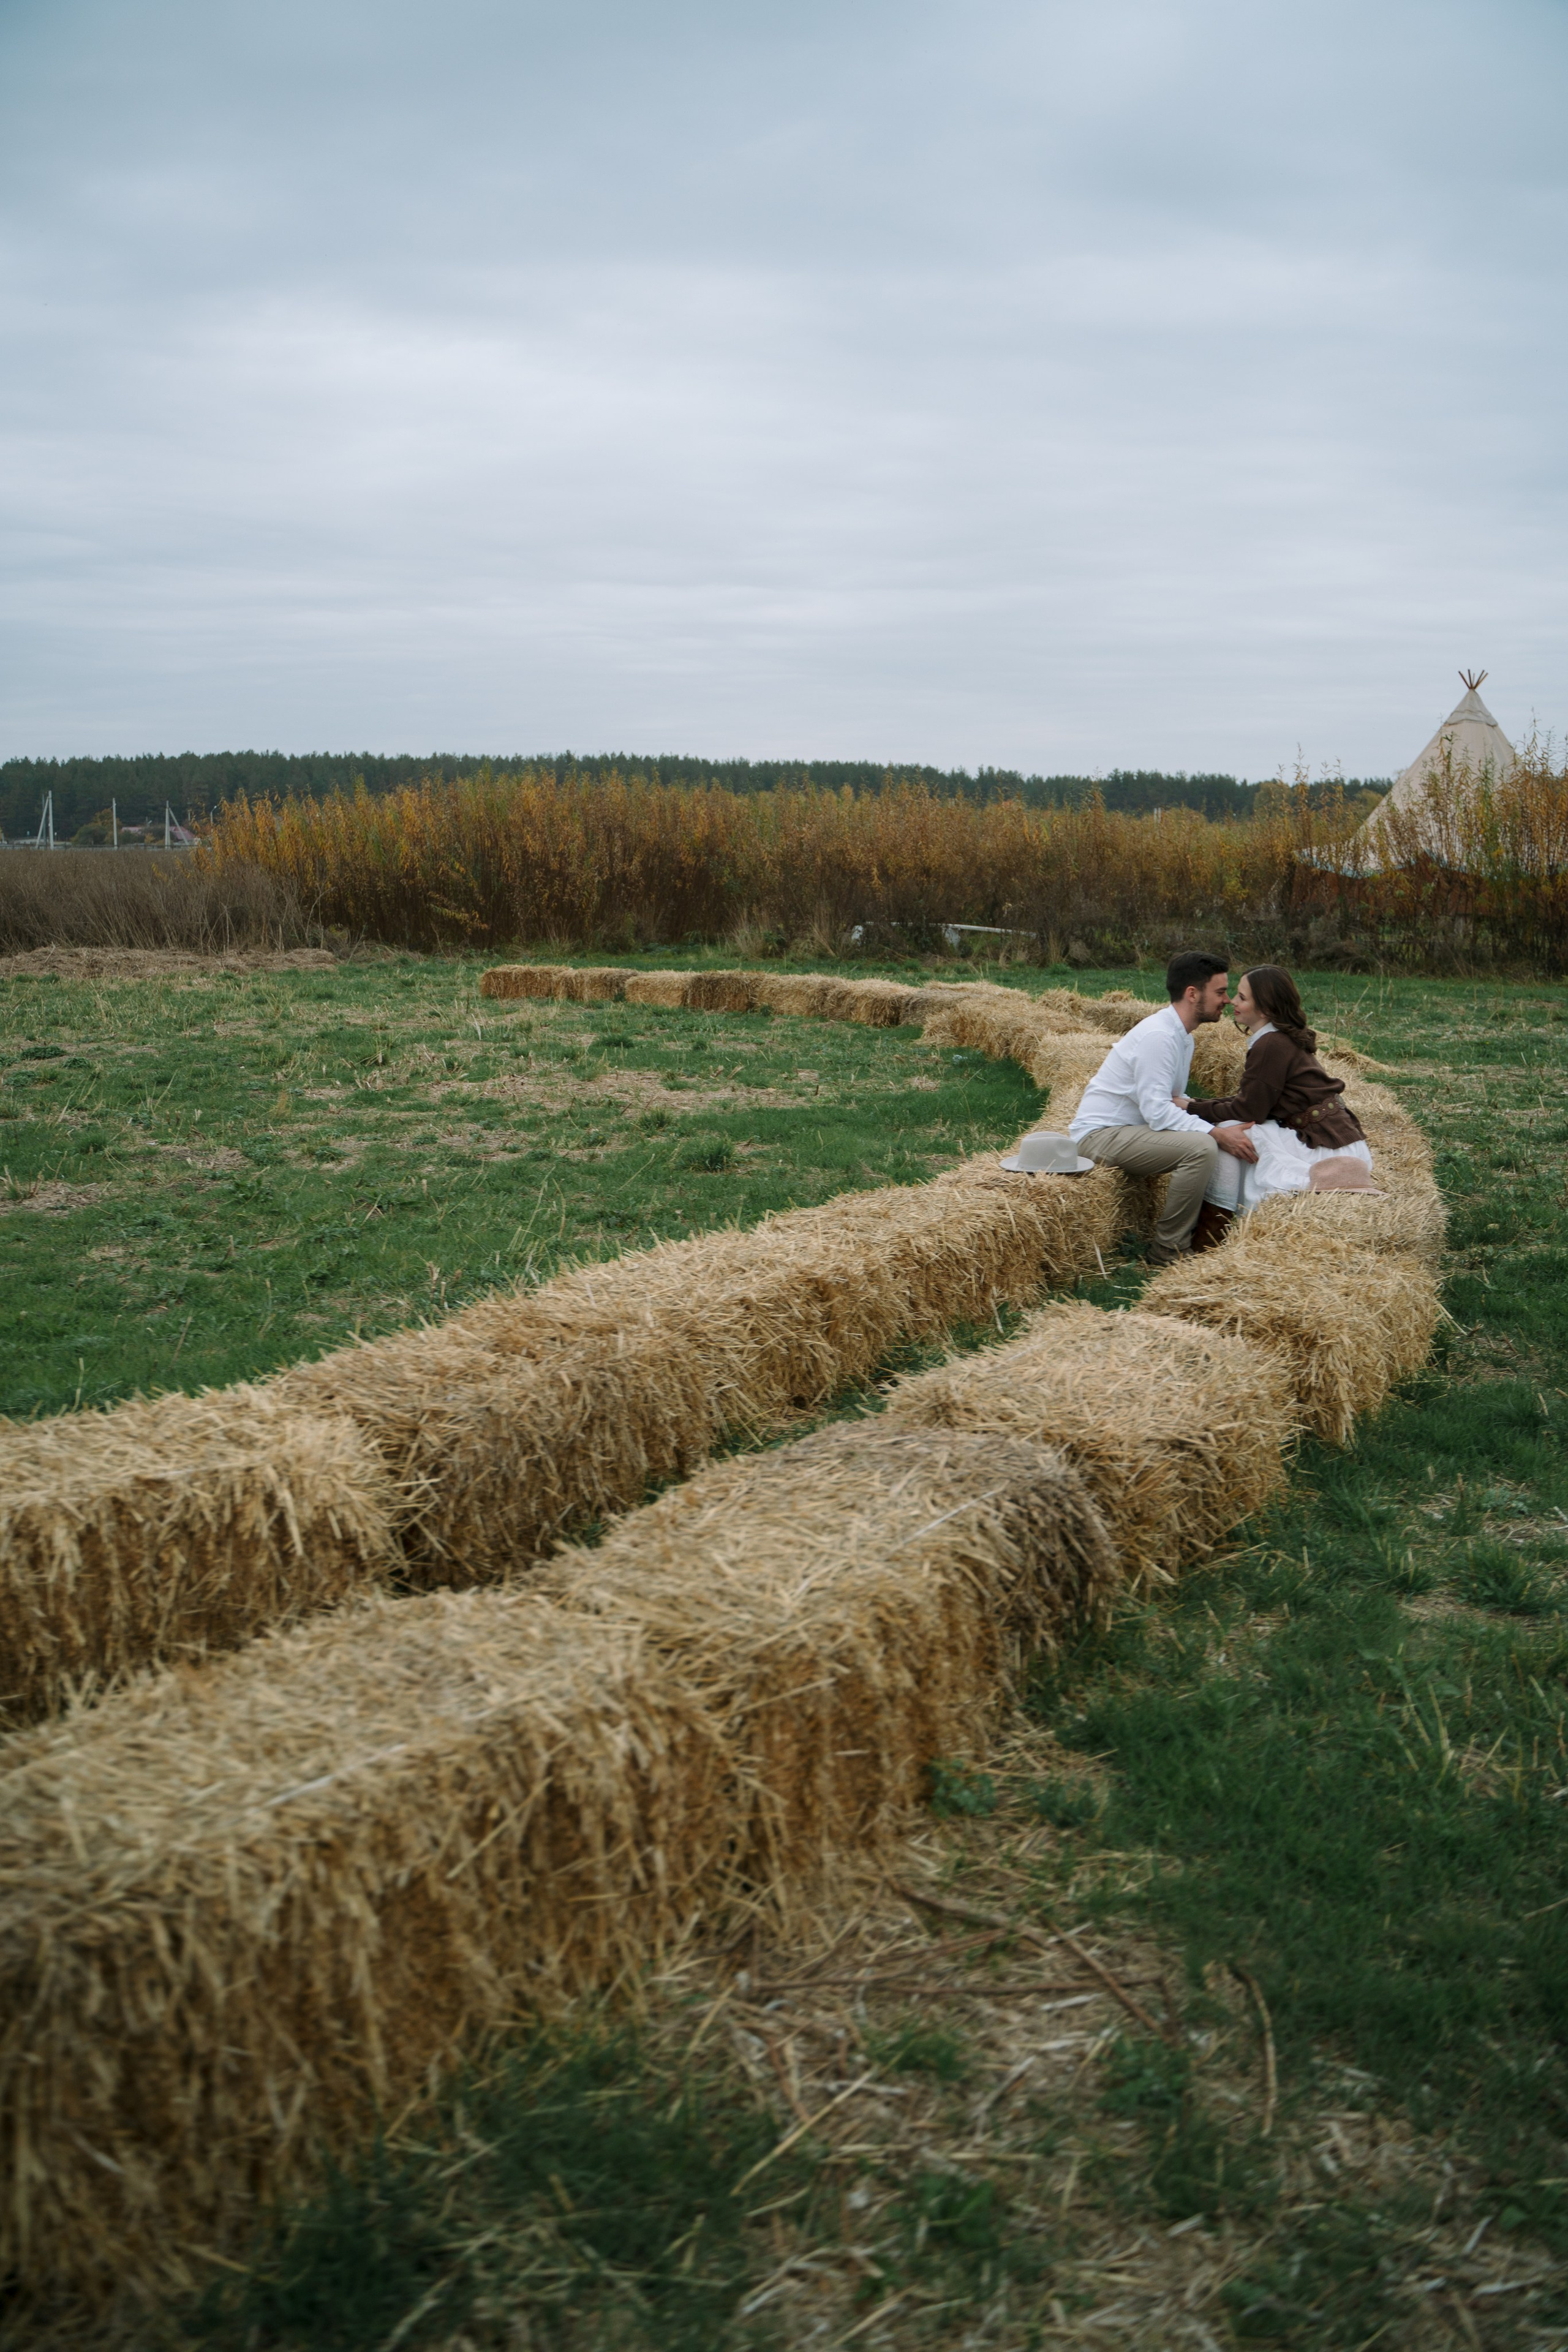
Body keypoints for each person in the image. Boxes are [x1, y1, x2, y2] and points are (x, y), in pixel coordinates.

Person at [1069, 951, 1259, 1264]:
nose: (1227, 1000)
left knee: (1207, 1138)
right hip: (1099, 1136)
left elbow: (1172, 1101)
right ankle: (1168, 1250)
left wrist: (1220, 1121)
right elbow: (1159, 1113)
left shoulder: (1181, 1036)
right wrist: (1216, 1133)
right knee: (1201, 1147)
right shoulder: (1159, 1036)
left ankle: (1206, 1234)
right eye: (1221, 992)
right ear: (1192, 994)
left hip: (1129, 1129)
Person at [1177, 965, 1373, 1219]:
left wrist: (1192, 1108)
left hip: (1325, 1151)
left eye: (1243, 998)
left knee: (1231, 1133)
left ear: (1267, 1009)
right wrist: (1197, 1103)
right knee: (1231, 1128)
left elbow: (1249, 1111)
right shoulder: (1276, 1038)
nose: (1232, 1001)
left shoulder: (1270, 1044)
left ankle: (1214, 1226)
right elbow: (1253, 1100)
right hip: (1337, 1141)